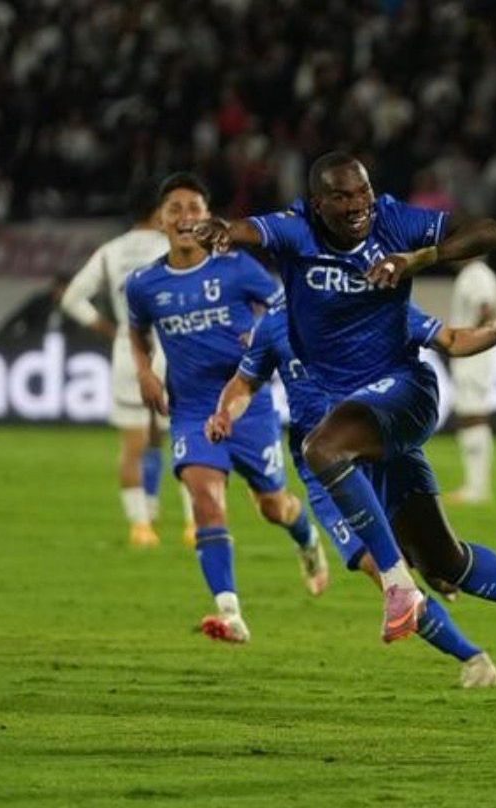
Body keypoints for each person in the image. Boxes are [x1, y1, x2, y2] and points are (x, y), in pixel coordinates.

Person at [192, 151, 496, 643]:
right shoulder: (296, 236)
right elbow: (247, 231)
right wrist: (223, 230)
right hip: (361, 435)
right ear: (317, 204)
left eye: (362, 191)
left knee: (321, 448)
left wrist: (419, 258)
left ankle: (397, 585)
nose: (357, 205)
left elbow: (493, 231)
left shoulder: (393, 220)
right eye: (341, 196)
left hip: (403, 393)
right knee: (445, 561)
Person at [208, 300, 496, 687]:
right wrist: (225, 412)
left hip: (381, 450)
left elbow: (448, 338)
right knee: (382, 571)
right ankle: (472, 657)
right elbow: (245, 381)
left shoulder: (367, 297)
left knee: (441, 568)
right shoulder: (277, 321)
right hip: (323, 469)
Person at [126, 172, 328, 644]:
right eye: (174, 209)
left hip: (248, 407)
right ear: (160, 220)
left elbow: (285, 307)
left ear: (207, 217)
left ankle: (307, 538)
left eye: (194, 208)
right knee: (206, 501)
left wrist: (262, 335)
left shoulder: (237, 268)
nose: (184, 217)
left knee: (274, 506)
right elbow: (136, 333)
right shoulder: (144, 284)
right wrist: (145, 372)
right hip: (193, 409)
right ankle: (230, 612)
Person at [60, 181, 193, 548]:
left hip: (128, 351)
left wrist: (107, 327)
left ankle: (141, 526)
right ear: (158, 213)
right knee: (181, 437)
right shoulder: (174, 247)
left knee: (133, 444)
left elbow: (72, 298)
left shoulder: (111, 251)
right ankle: (194, 524)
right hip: (173, 349)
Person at [446, 258, 496, 504]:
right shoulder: (474, 273)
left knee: (474, 415)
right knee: (469, 415)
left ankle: (478, 489)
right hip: (471, 354)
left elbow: (487, 309)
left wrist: (469, 339)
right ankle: (475, 486)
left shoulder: (477, 274)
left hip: (474, 354)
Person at [0, 273, 81, 340]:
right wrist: (5, 338)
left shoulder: (74, 306)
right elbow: (16, 319)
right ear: (54, 288)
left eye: (66, 290)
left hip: (63, 344)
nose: (62, 293)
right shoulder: (39, 302)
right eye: (60, 289)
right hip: (35, 342)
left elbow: (78, 328)